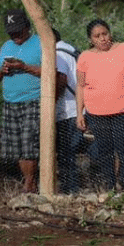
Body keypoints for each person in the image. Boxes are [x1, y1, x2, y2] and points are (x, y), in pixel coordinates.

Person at [76, 18, 124, 191]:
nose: (102, 38)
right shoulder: (85, 57)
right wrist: (79, 113)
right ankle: (110, 186)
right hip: (96, 113)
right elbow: (80, 86)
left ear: (110, 33)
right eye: (97, 36)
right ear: (91, 40)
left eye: (105, 34)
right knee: (104, 151)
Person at [0, 9, 44, 192]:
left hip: (33, 100)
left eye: (18, 31)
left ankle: (29, 183)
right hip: (10, 102)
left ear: (27, 27)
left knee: (29, 143)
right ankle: (29, 182)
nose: (15, 36)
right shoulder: (6, 46)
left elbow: (49, 71)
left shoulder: (40, 42)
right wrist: (2, 71)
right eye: (11, 32)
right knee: (17, 146)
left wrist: (24, 67)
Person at [54, 29, 82, 194]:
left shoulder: (57, 54)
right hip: (75, 107)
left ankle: (70, 189)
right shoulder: (70, 49)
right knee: (74, 148)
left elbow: (61, 80)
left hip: (66, 110)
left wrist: (50, 102)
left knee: (66, 152)